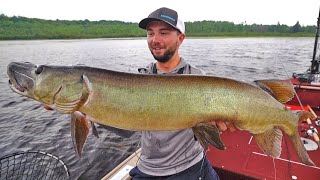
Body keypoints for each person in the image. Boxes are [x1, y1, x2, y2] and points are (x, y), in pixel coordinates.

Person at [129, 7, 236, 180]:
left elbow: (214, 127)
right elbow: (125, 129)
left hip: (190, 167)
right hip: (147, 169)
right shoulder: (139, 79)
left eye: (163, 33)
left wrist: (220, 123)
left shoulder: (200, 79)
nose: (155, 40)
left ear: (180, 39)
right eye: (150, 33)